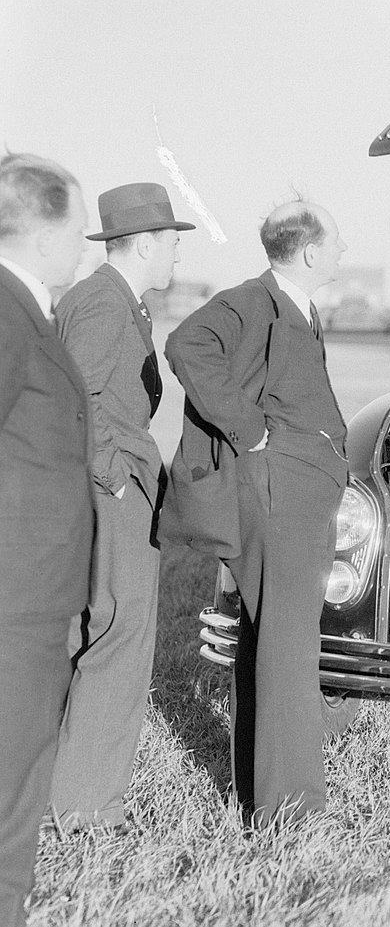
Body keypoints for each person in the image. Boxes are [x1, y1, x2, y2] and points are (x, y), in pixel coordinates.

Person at [165, 200, 349, 826]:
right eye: (337, 240)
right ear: (311, 251)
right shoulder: (254, 299)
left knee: (271, 644)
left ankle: (262, 798)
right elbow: (187, 342)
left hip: (296, 500)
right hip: (278, 501)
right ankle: (290, 813)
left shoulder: (299, 308)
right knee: (289, 651)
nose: (344, 250)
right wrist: (248, 429)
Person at [48, 183, 194, 832]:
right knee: (120, 635)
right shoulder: (107, 304)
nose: (176, 256)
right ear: (141, 245)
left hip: (104, 488)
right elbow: (72, 396)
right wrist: (110, 476)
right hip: (114, 490)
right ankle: (85, 806)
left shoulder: (110, 299)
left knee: (87, 632)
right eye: (170, 242)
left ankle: (60, 790)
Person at [0, 154, 94, 927]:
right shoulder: (6, 311)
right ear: (42, 233)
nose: (85, 242)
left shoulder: (26, 307)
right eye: (77, 225)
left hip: (31, 592)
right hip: (11, 595)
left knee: (21, 773)